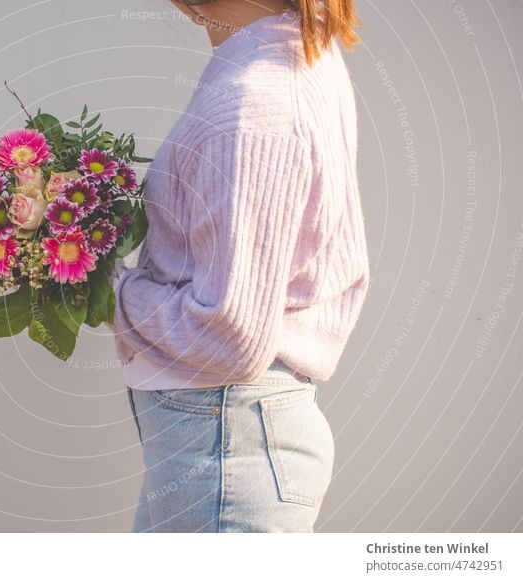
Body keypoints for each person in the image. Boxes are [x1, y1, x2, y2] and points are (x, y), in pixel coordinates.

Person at [107, 0, 370, 532]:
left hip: (224, 445)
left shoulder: (255, 103)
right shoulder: (298, 52)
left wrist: (101, 286)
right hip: (223, 441)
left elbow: (230, 336)